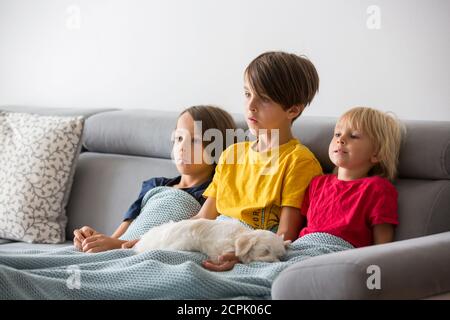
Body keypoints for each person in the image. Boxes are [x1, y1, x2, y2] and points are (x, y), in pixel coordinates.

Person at [195, 51, 323, 271]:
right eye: (247, 93)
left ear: (293, 109)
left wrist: (239, 256)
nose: (251, 105)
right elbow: (202, 218)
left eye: (264, 99)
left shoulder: (298, 161)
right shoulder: (231, 154)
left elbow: (284, 235)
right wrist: (152, 238)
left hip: (250, 251)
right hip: (210, 242)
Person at [73, 105, 237, 253]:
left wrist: (116, 245)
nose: (182, 147)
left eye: (194, 140)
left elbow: (188, 233)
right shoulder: (154, 185)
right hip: (121, 248)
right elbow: (119, 235)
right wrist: (92, 239)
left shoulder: (213, 193)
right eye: (179, 138)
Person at [299, 106, 403, 247]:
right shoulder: (317, 183)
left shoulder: (377, 188)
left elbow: (382, 247)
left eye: (353, 136)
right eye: (337, 134)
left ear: (377, 153)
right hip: (303, 247)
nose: (340, 139)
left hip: (339, 253)